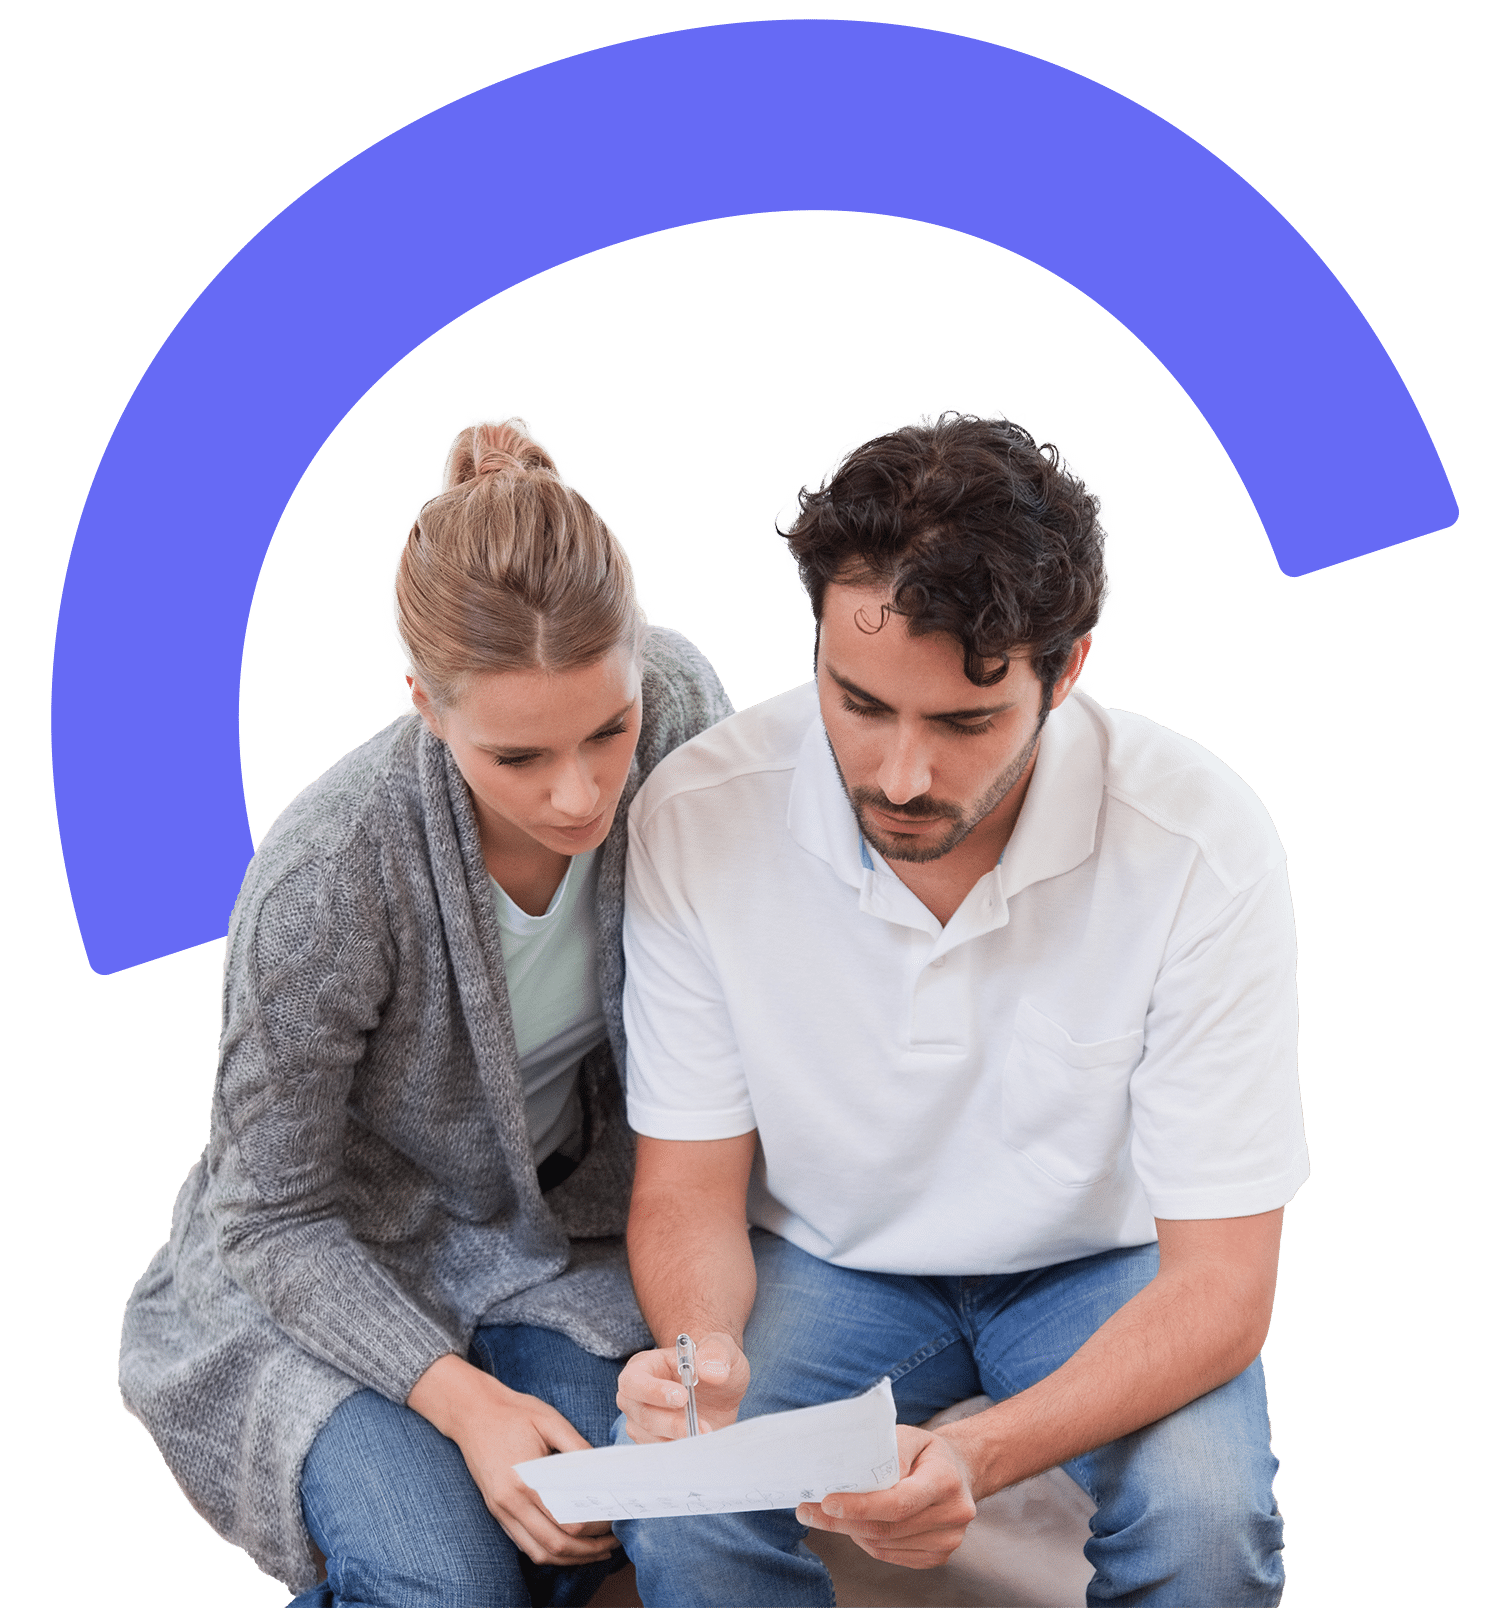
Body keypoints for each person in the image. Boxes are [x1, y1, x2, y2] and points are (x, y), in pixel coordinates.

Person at [614, 407, 1307, 1607]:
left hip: (1103, 1269)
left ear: (1069, 667)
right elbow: (684, 1189)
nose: (899, 776)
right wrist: (702, 1357)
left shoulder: (1202, 842)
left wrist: (975, 1460)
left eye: (964, 721)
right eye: (861, 703)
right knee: (682, 1502)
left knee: (1205, 1521)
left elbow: (1224, 1287)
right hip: (824, 1263)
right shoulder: (697, 816)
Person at [117, 414, 732, 1606]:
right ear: (423, 705)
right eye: (517, 758)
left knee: (619, 1524)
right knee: (444, 1581)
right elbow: (273, 1218)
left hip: (550, 1248)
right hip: (323, 1268)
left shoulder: (678, 705)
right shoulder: (327, 877)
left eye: (607, 731)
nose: (580, 791)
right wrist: (473, 1406)